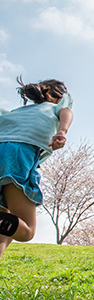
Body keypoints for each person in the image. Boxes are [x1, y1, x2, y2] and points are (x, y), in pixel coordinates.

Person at [0, 78, 73, 259]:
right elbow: (67, 111)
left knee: (6, 221)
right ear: (58, 95)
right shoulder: (58, 106)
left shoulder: (17, 112)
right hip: (17, 154)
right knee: (27, 231)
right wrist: (62, 131)